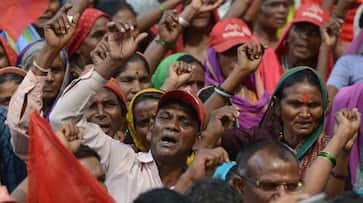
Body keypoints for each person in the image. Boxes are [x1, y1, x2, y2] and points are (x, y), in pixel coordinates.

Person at [7, 6, 79, 160]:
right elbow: (22, 127)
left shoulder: (78, 114)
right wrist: (49, 50)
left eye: (57, 70)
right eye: (44, 71)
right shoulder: (13, 117)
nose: (50, 78)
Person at [259, 3, 341, 94]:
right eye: (300, 29)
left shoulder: (327, 70)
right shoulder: (267, 60)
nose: (305, 37)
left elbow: (318, 100)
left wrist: (325, 47)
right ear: (288, 34)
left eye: (313, 32)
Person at [204, 18, 270, 129]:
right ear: (214, 58)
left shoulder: (261, 99)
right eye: (228, 52)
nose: (238, 58)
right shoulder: (206, 96)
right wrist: (239, 72)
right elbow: (200, 123)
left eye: (242, 51)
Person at [67, 8, 110, 77]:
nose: (109, 39)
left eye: (111, 33)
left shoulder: (122, 70)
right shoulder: (63, 78)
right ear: (77, 46)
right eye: (98, 35)